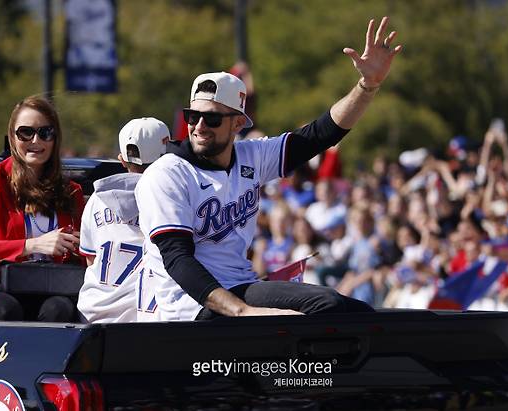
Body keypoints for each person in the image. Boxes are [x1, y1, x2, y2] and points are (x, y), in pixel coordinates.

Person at [135, 17, 402, 321]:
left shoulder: (250, 156)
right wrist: (244, 312)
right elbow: (177, 259)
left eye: (211, 119)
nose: (198, 126)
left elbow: (320, 134)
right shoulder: (167, 173)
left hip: (239, 286)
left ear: (238, 123)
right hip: (192, 305)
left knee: (357, 313)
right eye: (192, 116)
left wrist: (368, 86)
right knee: (324, 306)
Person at [0, 96, 84, 321]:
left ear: (55, 138)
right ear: (12, 137)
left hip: (53, 289)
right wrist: (31, 245)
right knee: (5, 309)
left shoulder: (71, 191)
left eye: (45, 132)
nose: (35, 140)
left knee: (61, 309)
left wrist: (81, 249)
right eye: (26, 133)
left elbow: (84, 257)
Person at [77, 117, 169, 323]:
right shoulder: (171, 197)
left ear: (122, 160)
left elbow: (90, 260)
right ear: (167, 157)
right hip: (143, 319)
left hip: (93, 314)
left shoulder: (97, 199)